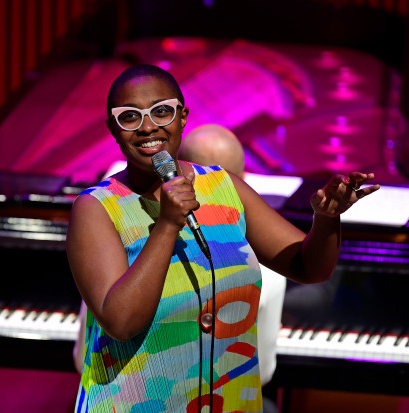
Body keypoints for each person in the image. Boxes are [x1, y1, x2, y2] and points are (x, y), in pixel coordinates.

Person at [66, 64, 380, 413]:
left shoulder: (224, 187)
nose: (148, 126)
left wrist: (326, 219)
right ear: (113, 129)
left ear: (182, 117)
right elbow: (121, 322)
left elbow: (309, 267)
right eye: (130, 117)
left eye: (161, 111)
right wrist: (167, 225)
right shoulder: (96, 208)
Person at [178, 124, 286, 413]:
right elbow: (261, 373)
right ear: (243, 182)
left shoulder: (128, 234)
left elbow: (83, 358)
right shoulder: (266, 266)